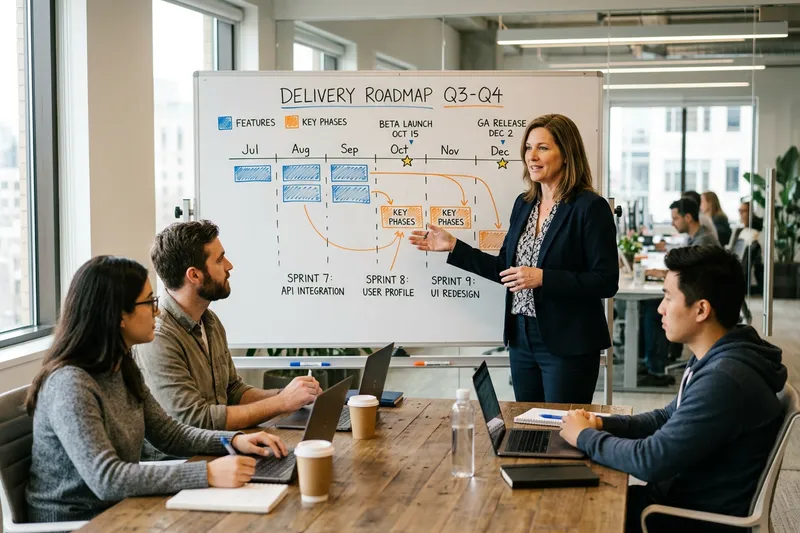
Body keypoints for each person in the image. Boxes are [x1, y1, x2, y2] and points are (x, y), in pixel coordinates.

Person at [25, 256, 288, 523]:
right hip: (81, 523)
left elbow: (169, 434)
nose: (158, 311)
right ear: (119, 316)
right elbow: (108, 479)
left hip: (126, 510)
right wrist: (207, 473)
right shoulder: (70, 385)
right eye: (149, 302)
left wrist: (232, 441)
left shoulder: (121, 366)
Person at [560, 246, 787, 533]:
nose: (660, 308)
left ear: (702, 309)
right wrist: (604, 423)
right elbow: (664, 418)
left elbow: (650, 460)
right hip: (674, 501)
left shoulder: (725, 379)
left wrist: (585, 437)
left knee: (562, 513)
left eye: (668, 297)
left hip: (682, 518)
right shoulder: (718, 355)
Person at [409, 113, 618, 403]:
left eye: (543, 148)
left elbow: (606, 281)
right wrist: (454, 246)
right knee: (525, 427)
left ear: (567, 154)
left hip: (567, 343)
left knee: (562, 435)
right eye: (528, 147)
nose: (532, 156)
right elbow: (505, 270)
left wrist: (543, 278)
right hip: (521, 338)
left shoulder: (589, 207)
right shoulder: (525, 204)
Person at [134, 221, 322, 431]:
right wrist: (281, 403)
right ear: (194, 275)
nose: (229, 266)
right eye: (220, 259)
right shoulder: (158, 337)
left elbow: (232, 391)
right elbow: (194, 420)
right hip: (186, 460)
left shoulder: (209, 320)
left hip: (221, 446)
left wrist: (289, 395)